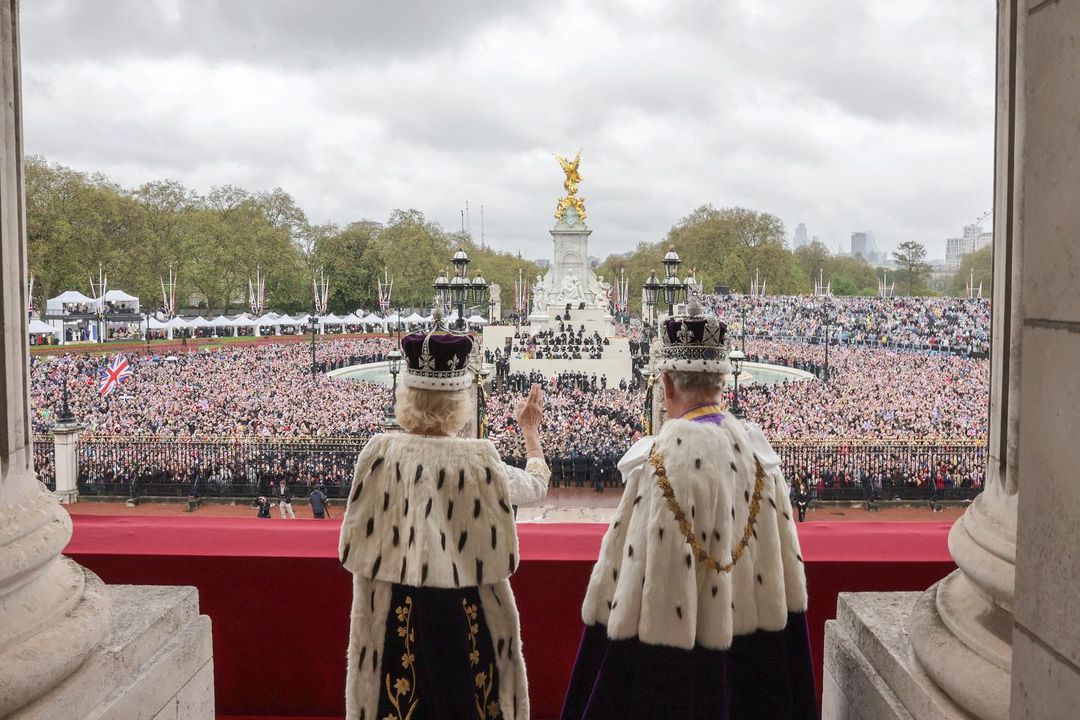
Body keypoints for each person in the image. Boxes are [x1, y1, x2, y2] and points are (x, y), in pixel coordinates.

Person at [561, 300, 816, 720]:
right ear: (721, 381)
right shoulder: (759, 457)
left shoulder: (659, 463)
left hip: (675, 662)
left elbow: (632, 585)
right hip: (754, 657)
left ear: (666, 385)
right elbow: (787, 579)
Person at [338, 316, 549, 720]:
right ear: (459, 402)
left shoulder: (377, 453)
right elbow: (535, 488)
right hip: (466, 613)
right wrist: (530, 433)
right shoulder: (479, 460)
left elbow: (352, 546)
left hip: (392, 614)